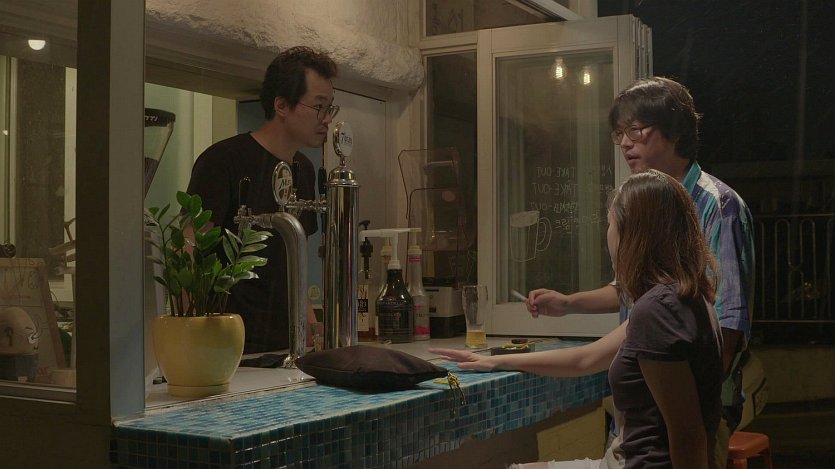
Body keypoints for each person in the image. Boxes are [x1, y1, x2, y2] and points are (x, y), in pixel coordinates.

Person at [525, 77, 755, 467]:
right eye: (620, 133)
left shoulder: (719, 205)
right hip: (643, 401)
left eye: (636, 130)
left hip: (693, 411)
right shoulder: (643, 199)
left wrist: (699, 408)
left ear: (675, 131)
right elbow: (633, 288)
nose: (625, 143)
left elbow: (727, 325)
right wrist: (567, 304)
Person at [432, 170, 724, 469]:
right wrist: (494, 361)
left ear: (633, 233)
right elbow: (586, 359)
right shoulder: (682, 297)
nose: (607, 237)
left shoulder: (659, 310)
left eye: (610, 224)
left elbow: (688, 435)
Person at [186, 46, 339, 353]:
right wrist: (191, 338)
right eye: (318, 107)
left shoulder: (304, 169)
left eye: (330, 109)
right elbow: (189, 249)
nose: (326, 120)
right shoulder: (223, 160)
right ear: (281, 105)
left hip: (287, 345)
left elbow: (295, 262)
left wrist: (310, 326)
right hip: (229, 345)